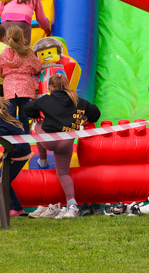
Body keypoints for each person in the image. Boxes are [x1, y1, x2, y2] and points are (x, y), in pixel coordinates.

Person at [24, 73, 100, 218]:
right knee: (63, 173)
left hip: (48, 140)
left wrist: (37, 114)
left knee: (38, 124)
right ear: (67, 86)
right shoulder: (78, 101)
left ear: (50, 88)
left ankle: (43, 159)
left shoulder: (46, 99)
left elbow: (28, 109)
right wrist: (86, 119)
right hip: (67, 142)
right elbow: (96, 113)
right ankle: (71, 203)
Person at [0, 93, 33, 217]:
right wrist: (4, 155)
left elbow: (10, 144)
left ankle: (16, 208)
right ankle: (15, 207)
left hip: (19, 153)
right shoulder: (5, 119)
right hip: (22, 151)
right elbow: (10, 142)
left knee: (1, 180)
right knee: (2, 180)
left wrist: (6, 155)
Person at [0, 25, 44, 132]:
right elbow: (38, 67)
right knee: (24, 114)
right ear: (22, 38)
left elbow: (0, 72)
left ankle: (12, 136)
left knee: (10, 114)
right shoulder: (27, 53)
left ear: (7, 38)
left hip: (9, 87)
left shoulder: (4, 54)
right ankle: (25, 137)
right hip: (25, 87)